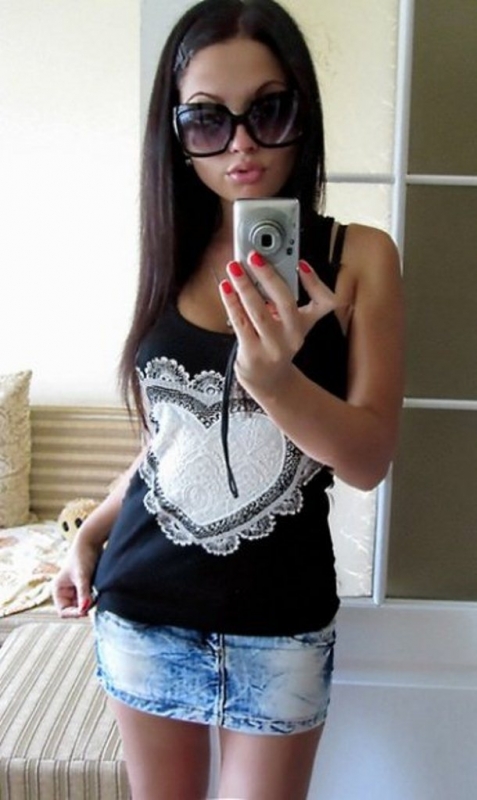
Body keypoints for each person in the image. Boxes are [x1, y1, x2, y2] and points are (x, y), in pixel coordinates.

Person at [53, 1, 404, 798]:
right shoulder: (168, 252)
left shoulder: (358, 258)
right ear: (176, 134)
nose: (241, 143)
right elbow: (169, 444)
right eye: (207, 119)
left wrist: (276, 381)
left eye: (267, 111)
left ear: (301, 115)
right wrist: (90, 534)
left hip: (279, 625)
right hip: (142, 607)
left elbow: (366, 459)